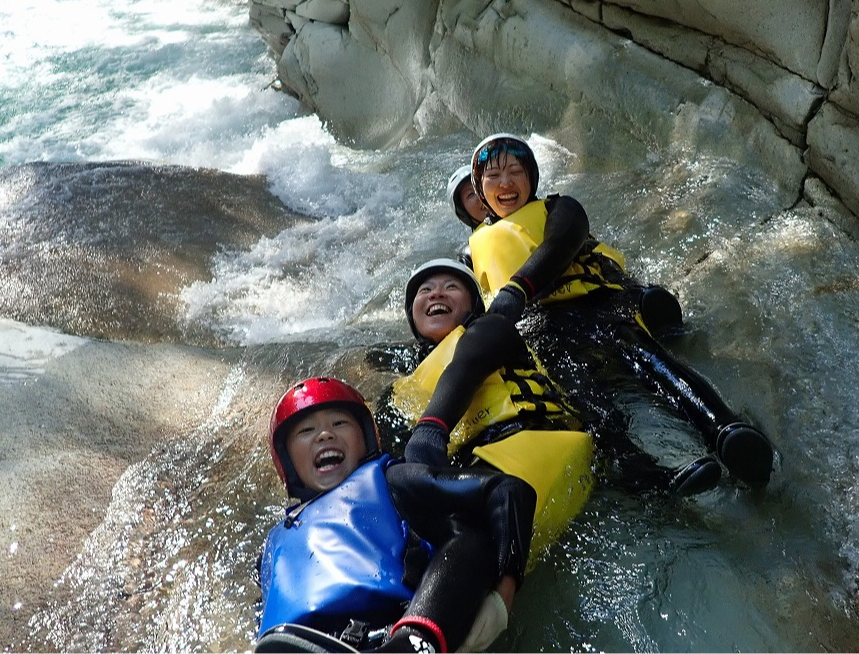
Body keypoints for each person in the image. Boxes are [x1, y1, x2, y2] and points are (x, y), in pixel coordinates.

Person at [466, 133, 776, 487]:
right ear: (481, 189)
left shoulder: (560, 208)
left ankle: (723, 428)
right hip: (540, 332)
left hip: (597, 308)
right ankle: (643, 472)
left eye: (515, 172)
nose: (505, 183)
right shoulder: (472, 252)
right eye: (492, 176)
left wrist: (518, 289)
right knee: (585, 402)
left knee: (657, 365)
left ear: (531, 178)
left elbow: (561, 242)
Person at [378, 258, 721, 529]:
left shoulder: (490, 330)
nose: (436, 294)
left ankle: (635, 468)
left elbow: (468, 363)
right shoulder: (399, 389)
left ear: (473, 306)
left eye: (451, 287)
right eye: (425, 291)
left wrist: (430, 432)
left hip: (531, 441)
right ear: (411, 315)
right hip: (465, 470)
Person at [256, 376, 537, 654]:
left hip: (389, 635)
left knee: (470, 535)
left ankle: (412, 645)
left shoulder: (389, 479)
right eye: (306, 431)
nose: (324, 435)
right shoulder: (272, 545)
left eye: (339, 423)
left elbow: (506, 490)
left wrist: (503, 596)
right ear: (288, 460)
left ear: (366, 440)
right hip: (295, 643)